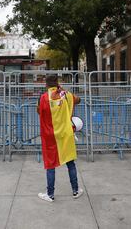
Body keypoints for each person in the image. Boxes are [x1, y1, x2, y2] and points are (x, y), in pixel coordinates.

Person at [36, 74, 83, 202]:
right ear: (57, 83)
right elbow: (79, 100)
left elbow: (39, 111)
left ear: (46, 85)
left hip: (50, 135)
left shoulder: (43, 98)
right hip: (66, 134)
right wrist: (64, 92)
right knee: (70, 163)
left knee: (50, 165)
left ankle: (50, 194)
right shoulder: (66, 94)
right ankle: (75, 190)